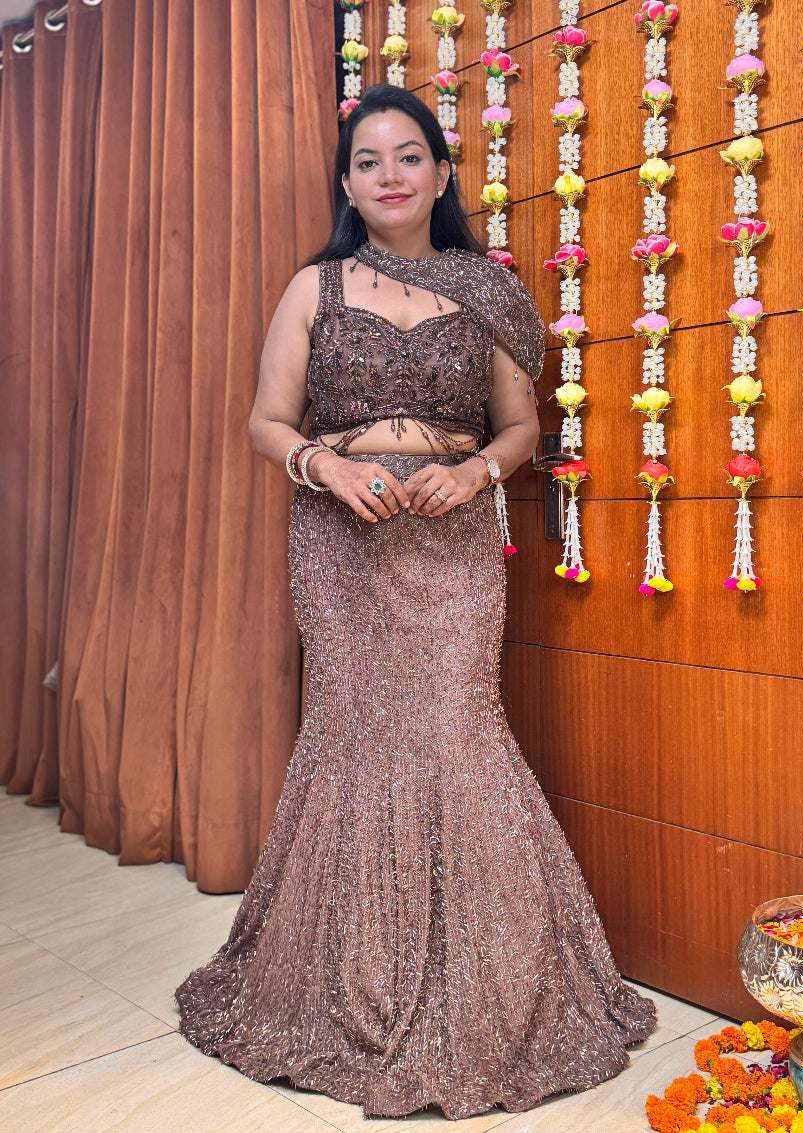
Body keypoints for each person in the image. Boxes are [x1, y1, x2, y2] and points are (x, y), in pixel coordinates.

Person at [174, 83, 656, 1121]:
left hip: (452, 544)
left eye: (407, 156)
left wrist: (478, 473)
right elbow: (263, 419)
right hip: (340, 542)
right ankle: (346, 982)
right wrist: (319, 467)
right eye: (366, 161)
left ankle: (503, 986)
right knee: (355, 732)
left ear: (441, 172)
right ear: (347, 183)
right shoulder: (315, 287)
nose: (387, 175)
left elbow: (521, 425)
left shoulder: (484, 292)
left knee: (457, 733)